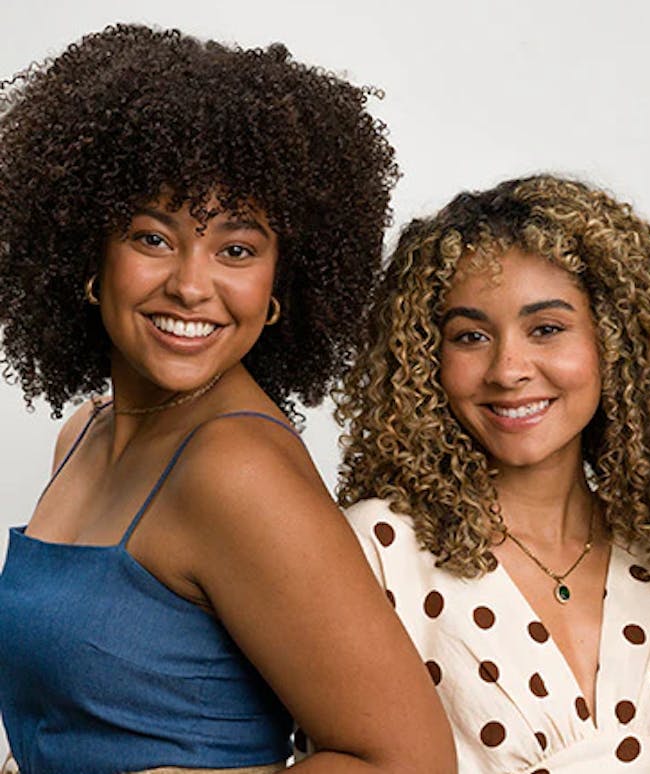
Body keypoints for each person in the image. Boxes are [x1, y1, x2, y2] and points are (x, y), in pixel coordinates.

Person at [0, 24, 455, 774]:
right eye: (152, 238)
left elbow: (410, 764)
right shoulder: (84, 434)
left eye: (236, 250)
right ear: (87, 249)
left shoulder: (236, 469)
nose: (191, 285)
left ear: (280, 284)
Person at [324, 174, 650, 772]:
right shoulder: (378, 550)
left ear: (615, 341)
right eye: (470, 337)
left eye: (546, 329)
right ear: (426, 359)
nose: (507, 369)